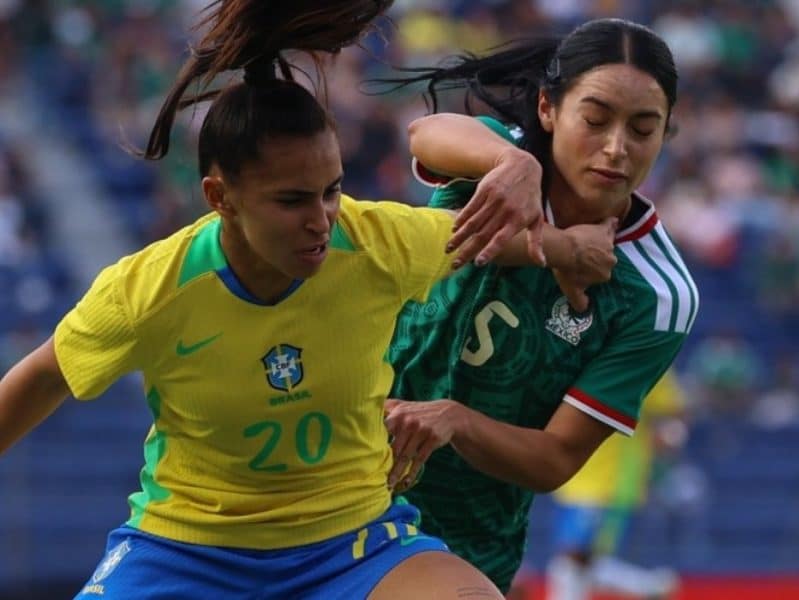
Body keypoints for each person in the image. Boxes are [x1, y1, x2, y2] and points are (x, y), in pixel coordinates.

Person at [0, 2, 610, 598]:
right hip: (185, 551)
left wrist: (568, 250)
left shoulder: (374, 242)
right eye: (292, 201)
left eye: (332, 191)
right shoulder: (149, 289)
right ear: (220, 197)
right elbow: (44, 376)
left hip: (352, 546)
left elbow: (482, 239)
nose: (322, 221)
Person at [381, 18, 699, 593]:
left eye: (644, 129)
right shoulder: (495, 164)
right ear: (549, 109)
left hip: (459, 537)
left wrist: (456, 420)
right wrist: (520, 178)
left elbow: (554, 458)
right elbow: (426, 134)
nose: (616, 148)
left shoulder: (658, 294)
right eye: (595, 120)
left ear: (666, 134)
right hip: (333, 473)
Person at [546, 372, 687, 600]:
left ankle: (651, 587)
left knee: (575, 557)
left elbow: (675, 411)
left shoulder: (644, 353)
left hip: (610, 481)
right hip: (572, 477)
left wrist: (667, 435)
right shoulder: (581, 349)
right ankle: (650, 587)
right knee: (576, 561)